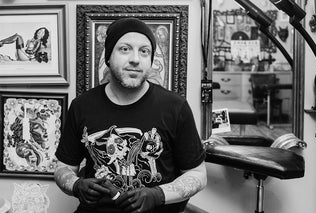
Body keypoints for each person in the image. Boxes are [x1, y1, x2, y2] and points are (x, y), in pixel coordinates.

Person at [54, 17, 207, 213]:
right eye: (125, 49)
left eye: (144, 51)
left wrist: (158, 194)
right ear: (108, 56)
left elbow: (198, 173)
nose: (135, 59)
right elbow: (63, 167)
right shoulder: (82, 106)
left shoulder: (175, 107)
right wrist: (76, 185)